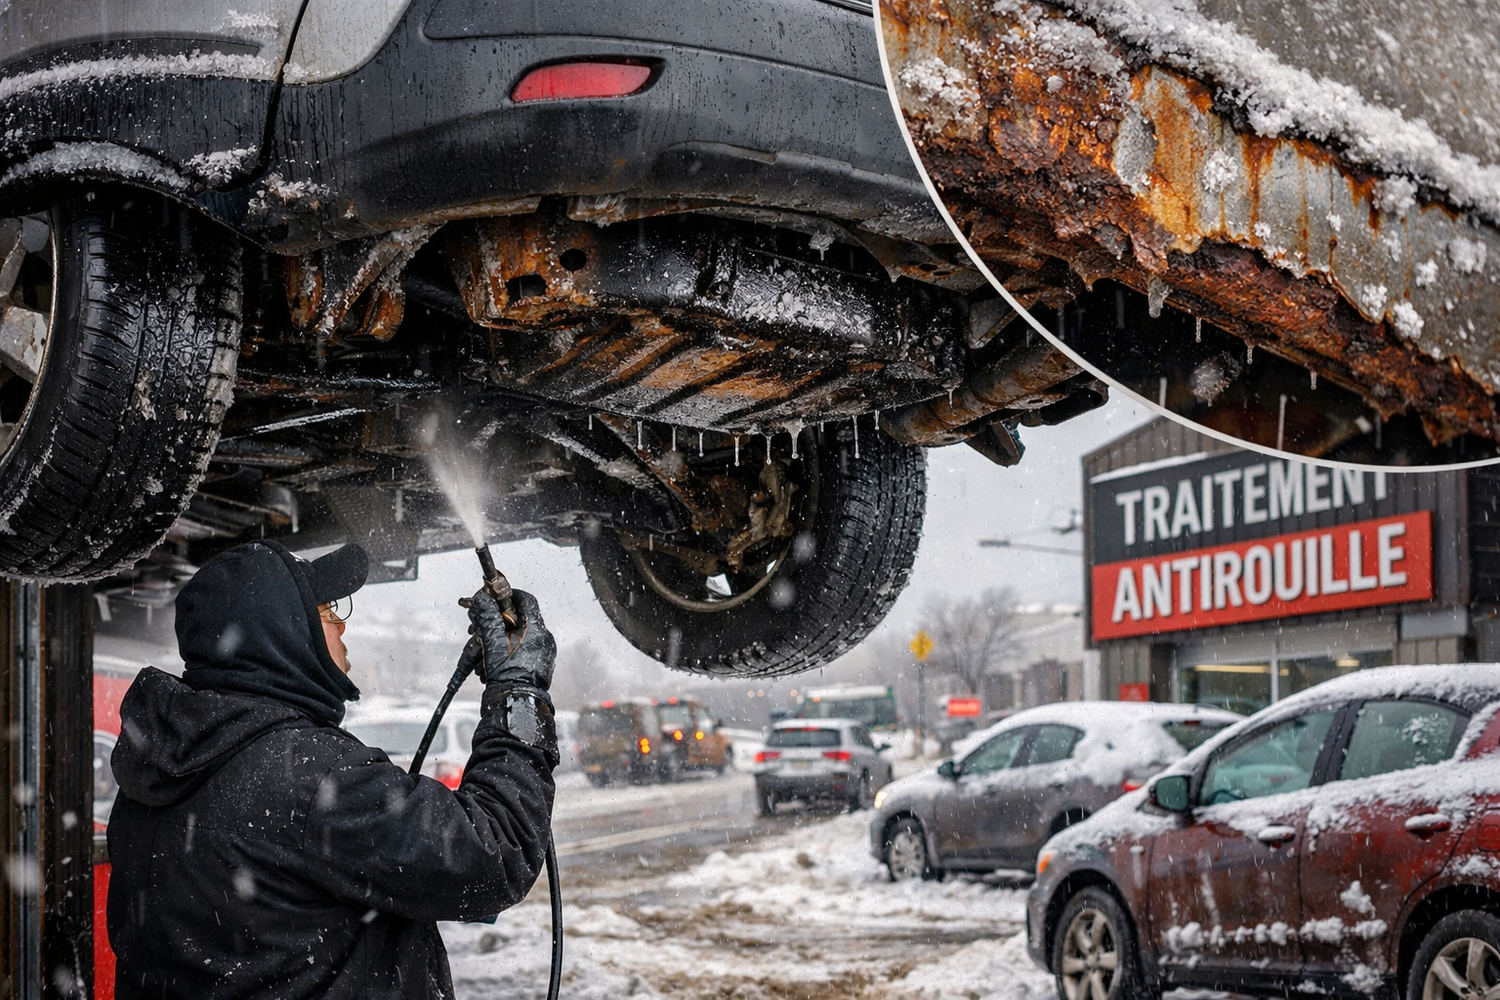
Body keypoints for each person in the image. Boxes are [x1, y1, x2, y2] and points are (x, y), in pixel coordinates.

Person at [106, 539, 558, 999]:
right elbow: (495, 854)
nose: (341, 625)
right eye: (325, 611)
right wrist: (519, 693)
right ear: (280, 631)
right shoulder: (312, 775)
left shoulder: (156, 770)